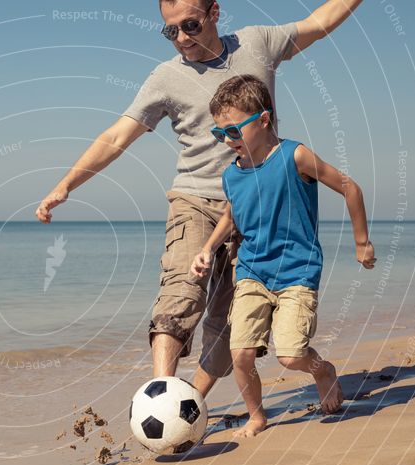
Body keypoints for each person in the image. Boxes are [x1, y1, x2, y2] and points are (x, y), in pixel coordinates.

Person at [35, 0, 365, 398]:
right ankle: (162, 394)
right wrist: (67, 184)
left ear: (214, 13)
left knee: (228, 332)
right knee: (180, 292)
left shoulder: (257, 43)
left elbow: (321, 21)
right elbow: (117, 136)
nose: (181, 38)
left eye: (189, 25)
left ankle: (187, 408)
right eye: (170, 30)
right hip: (194, 200)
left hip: (252, 211)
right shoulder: (165, 78)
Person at [191, 74, 376, 437]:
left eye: (232, 131)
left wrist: (361, 242)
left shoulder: (295, 156)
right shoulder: (232, 174)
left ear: (263, 120)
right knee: (241, 352)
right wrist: (207, 248)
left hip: (297, 273)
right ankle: (257, 416)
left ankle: (322, 370)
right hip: (251, 272)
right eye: (219, 134)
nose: (227, 141)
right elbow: (231, 215)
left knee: (290, 356)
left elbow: (349, 187)